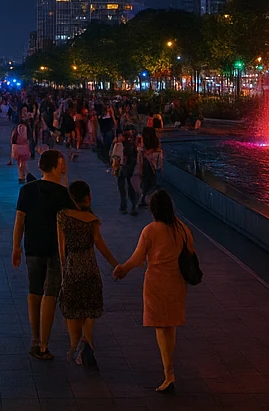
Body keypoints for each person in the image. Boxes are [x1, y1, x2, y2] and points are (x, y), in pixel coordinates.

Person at [113, 188, 195, 394]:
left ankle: (169, 374)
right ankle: (169, 370)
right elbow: (191, 252)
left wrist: (123, 269)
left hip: (157, 283)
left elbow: (138, 257)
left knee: (161, 327)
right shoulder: (183, 229)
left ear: (153, 209)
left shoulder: (150, 230)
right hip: (177, 282)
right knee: (171, 326)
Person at [12, 149, 71, 360]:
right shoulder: (63, 194)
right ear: (55, 166)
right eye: (61, 164)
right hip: (54, 249)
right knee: (51, 293)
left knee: (34, 290)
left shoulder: (28, 190)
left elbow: (20, 219)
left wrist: (16, 247)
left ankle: (35, 339)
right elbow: (68, 225)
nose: (63, 167)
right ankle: (44, 345)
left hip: (32, 246)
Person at [57, 179, 119, 368]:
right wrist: (115, 264)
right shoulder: (93, 221)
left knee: (72, 310)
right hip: (90, 268)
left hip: (72, 266)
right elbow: (100, 245)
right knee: (90, 309)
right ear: (88, 197)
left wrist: (63, 270)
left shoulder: (62, 217)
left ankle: (75, 346)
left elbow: (61, 249)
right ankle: (87, 343)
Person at [110, 127, 140, 214]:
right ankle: (132, 206)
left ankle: (124, 206)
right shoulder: (132, 144)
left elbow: (114, 156)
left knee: (123, 187)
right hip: (129, 168)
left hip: (122, 168)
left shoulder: (119, 144)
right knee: (130, 187)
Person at [139, 127, 164, 202]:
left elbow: (140, 166)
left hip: (148, 171)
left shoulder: (143, 152)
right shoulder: (158, 150)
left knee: (146, 183)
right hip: (155, 171)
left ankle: (145, 199)